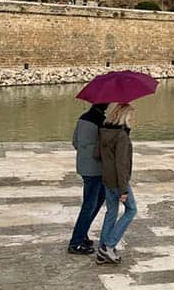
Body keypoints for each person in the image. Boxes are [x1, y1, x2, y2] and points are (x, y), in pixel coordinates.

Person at [94, 103, 137, 265]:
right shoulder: (122, 137)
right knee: (131, 210)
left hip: (107, 178)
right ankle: (109, 245)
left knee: (111, 212)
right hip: (118, 181)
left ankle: (101, 252)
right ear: (125, 117)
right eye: (132, 117)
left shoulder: (103, 131)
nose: (133, 120)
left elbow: (96, 154)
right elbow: (122, 165)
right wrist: (124, 189)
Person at [68, 103, 108, 255]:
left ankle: (82, 232)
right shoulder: (100, 121)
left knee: (96, 199)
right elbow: (103, 147)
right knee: (90, 204)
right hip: (96, 170)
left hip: (84, 166)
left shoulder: (83, 118)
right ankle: (76, 242)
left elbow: (75, 142)